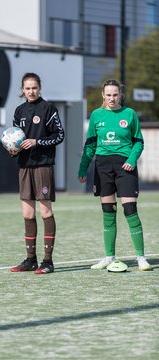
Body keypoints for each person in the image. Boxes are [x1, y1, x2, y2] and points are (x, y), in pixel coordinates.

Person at [78, 79, 152, 271]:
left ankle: (141, 258)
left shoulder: (129, 114)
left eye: (115, 94)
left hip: (124, 166)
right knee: (108, 212)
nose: (112, 98)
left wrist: (131, 160)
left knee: (130, 209)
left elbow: (139, 142)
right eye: (108, 95)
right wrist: (82, 168)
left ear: (120, 95)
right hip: (103, 166)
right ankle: (109, 256)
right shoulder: (96, 115)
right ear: (103, 95)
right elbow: (90, 145)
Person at [10, 72, 64, 274]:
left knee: (45, 211)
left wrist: (37, 142)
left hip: (43, 164)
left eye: (34, 87)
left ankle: (48, 262)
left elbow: (60, 135)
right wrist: (12, 149)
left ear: (39, 88)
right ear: (22, 90)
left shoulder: (48, 108)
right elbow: (15, 138)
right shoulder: (19, 111)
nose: (31, 91)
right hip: (24, 165)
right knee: (27, 212)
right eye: (27, 88)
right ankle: (30, 260)